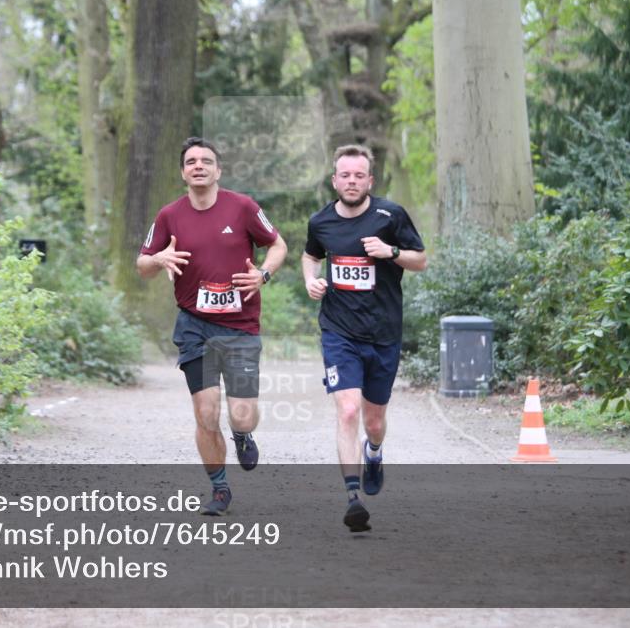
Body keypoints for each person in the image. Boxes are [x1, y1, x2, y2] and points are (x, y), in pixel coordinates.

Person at [137, 136, 287, 516]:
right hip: (194, 325)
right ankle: (219, 489)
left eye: (206, 160)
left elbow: (278, 245)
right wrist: (158, 259)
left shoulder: (244, 208)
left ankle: (241, 434)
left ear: (218, 170)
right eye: (191, 161)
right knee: (205, 412)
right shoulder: (169, 216)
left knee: (242, 413)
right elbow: (142, 265)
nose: (198, 165)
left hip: (240, 327)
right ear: (183, 173)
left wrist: (264, 275)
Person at [301, 144, 426, 532]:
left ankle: (374, 452)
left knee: (373, 422)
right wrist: (310, 280)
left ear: (369, 180)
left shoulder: (391, 215)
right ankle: (352, 497)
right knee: (348, 411)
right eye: (345, 175)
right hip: (339, 332)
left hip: (384, 333)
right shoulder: (321, 221)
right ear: (334, 179)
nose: (351, 181)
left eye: (359, 175)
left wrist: (390, 251)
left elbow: (420, 259)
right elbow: (310, 255)